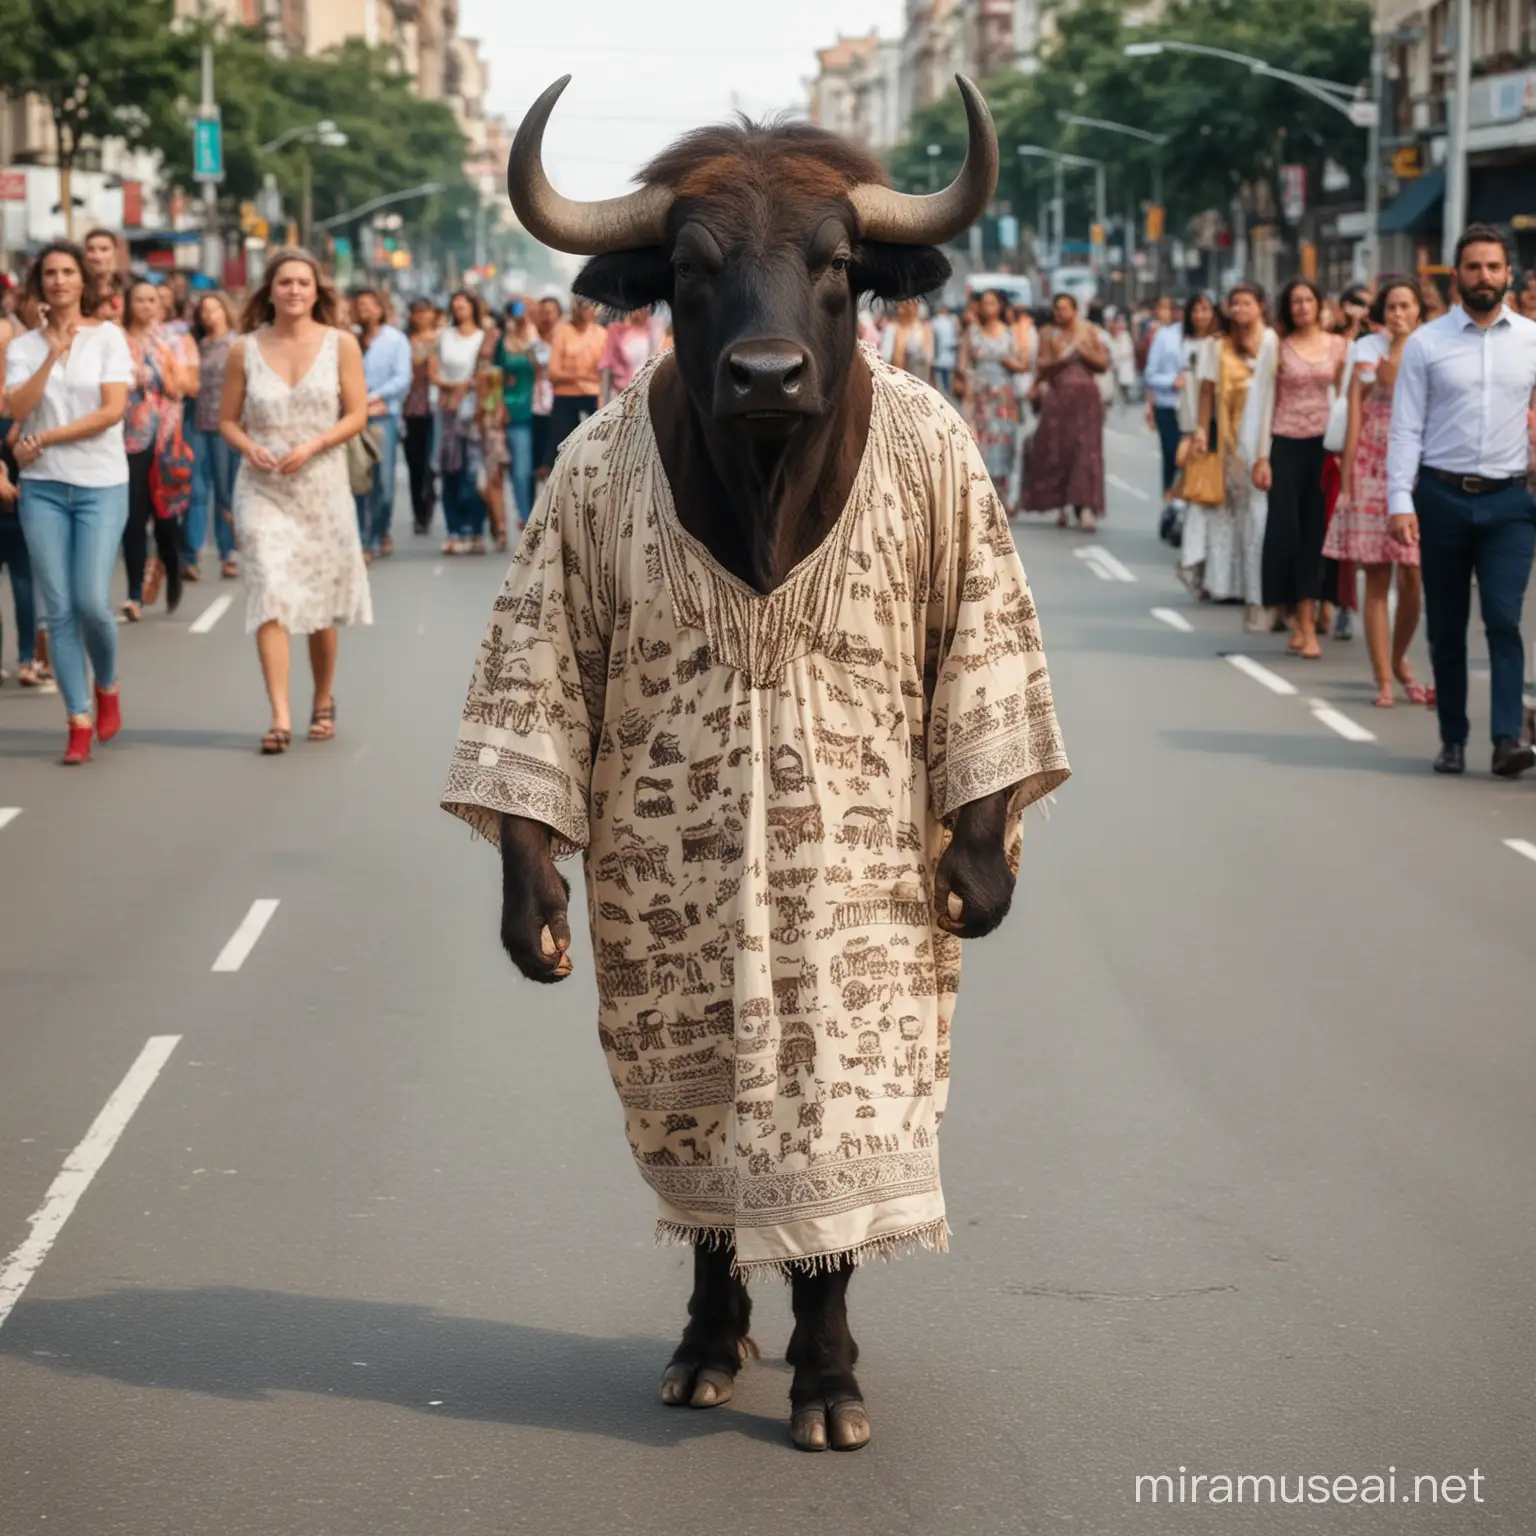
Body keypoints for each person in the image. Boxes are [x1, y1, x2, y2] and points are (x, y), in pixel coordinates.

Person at [1386, 225, 1536, 778]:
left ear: (1507, 275)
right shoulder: (1428, 342)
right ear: (1457, 275)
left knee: (1502, 618)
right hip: (1442, 498)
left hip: (1509, 504)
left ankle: (1505, 740)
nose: (1484, 277)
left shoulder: (1531, 340)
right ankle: (1452, 737)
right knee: (1447, 627)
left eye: (1493, 268)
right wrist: (1400, 499)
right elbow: (1405, 430)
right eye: (1473, 268)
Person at [219, 247, 372, 755]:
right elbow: (226, 420)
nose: (294, 291)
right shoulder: (244, 348)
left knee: (320, 603)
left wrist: (314, 444)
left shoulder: (341, 344)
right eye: (284, 282)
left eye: (303, 283)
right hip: (262, 489)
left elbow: (356, 415)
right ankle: (280, 715)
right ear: (269, 290)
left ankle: (323, 699)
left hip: (322, 484)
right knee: (269, 592)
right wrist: (249, 447)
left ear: (316, 290)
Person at [5, 241, 132, 763]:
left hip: (100, 483)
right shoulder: (22, 347)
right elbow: (15, 406)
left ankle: (107, 683)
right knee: (57, 610)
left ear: (85, 282)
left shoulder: (108, 338)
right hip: (43, 488)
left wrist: (45, 440)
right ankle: (77, 720)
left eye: (68, 272)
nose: (59, 281)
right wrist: (52, 355)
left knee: (91, 605)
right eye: (50, 273)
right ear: (40, 284)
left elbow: (111, 413)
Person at [1327, 276, 1428, 708]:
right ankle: (1383, 676)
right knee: (1376, 579)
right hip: (1371, 464)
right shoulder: (1367, 351)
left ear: (1420, 311)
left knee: (1412, 579)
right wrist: (1347, 478)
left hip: (1420, 470)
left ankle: (1401, 658)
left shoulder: (1433, 349)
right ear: (1381, 314)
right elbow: (1353, 414)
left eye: (1407, 306)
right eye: (1392, 307)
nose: (1399, 314)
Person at [1248, 277, 1346, 658]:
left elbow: (1344, 399)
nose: (1302, 307)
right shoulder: (1278, 347)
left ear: (1320, 304)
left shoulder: (1339, 346)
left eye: (1308, 300)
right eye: (1295, 302)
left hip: (1324, 448)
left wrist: (1344, 453)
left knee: (1316, 534)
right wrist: (1260, 456)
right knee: (1286, 532)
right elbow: (1264, 400)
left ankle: (1310, 619)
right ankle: (1293, 612)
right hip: (1285, 445)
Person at [1181, 282, 1271, 610]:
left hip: (1265, 439)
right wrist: (1202, 430)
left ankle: (1256, 585)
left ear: (1261, 306)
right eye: (1235, 304)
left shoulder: (1273, 343)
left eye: (1247, 303)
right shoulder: (1217, 347)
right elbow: (1206, 391)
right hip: (1229, 439)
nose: (1240, 310)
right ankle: (1223, 582)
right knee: (1226, 511)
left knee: (1258, 513)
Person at [121, 278, 192, 619]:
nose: (146, 306)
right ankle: (134, 592)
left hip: (165, 436)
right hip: (126, 437)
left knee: (164, 516)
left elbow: (182, 388)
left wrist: (161, 365)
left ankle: (172, 565)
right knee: (132, 516)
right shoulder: (116, 338)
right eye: (139, 299)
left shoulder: (172, 341)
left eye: (152, 299)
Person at [1020, 292, 1108, 529]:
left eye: (1065, 308)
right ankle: (1061, 505)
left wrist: (1083, 353)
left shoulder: (1088, 330)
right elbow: (1042, 366)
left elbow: (1103, 363)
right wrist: (1063, 359)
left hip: (1087, 401)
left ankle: (1085, 506)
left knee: (1086, 453)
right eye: (1057, 308)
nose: (1061, 313)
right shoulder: (1047, 333)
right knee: (1057, 451)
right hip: (1058, 400)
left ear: (1075, 310)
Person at [351, 286, 412, 559]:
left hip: (382, 417)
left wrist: (373, 397)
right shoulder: (350, 338)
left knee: (383, 484)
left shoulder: (396, 340)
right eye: (359, 305)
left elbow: (402, 378)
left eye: (369, 305)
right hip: (352, 419)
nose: (363, 310)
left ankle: (379, 529)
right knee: (358, 481)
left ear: (380, 308)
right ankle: (365, 539)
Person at [431, 288, 488, 555]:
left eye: (463, 305)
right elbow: (433, 373)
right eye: (454, 305)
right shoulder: (443, 337)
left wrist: (470, 388)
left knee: (472, 473)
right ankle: (453, 529)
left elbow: (487, 375)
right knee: (449, 470)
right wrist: (455, 387)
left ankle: (474, 529)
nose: (459, 309)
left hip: (475, 412)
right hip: (448, 411)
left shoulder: (484, 338)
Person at [954, 288, 1023, 510]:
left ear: (1000, 306)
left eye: (992, 303)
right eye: (984, 303)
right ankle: (981, 496)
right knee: (977, 443)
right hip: (978, 395)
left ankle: (1003, 495)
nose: (988, 307)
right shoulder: (971, 332)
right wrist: (965, 389)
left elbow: (1023, 363)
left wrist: (1010, 363)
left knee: (1004, 442)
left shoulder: (1010, 332)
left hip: (1003, 394)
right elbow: (962, 364)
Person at [544, 296, 606, 469]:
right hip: (566, 399)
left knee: (594, 455)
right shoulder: (562, 331)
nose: (586, 309)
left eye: (590, 305)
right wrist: (584, 375)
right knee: (563, 454)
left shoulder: (602, 334)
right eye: (582, 305)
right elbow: (553, 372)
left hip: (592, 399)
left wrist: (574, 375)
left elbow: (602, 374)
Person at [496, 300, 539, 528]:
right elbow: (495, 376)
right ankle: (525, 514)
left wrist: (532, 337)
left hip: (541, 408)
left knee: (540, 467)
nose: (521, 317)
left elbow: (542, 363)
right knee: (520, 469)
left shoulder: (539, 338)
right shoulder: (502, 342)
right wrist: (499, 407)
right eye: (517, 312)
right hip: (514, 409)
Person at [472, 315, 510, 551]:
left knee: (496, 479)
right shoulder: (481, 367)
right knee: (489, 480)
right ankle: (499, 524)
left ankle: (501, 525)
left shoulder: (503, 363)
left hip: (498, 426)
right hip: (484, 428)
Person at [401, 298, 438, 534]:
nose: (422, 317)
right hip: (411, 409)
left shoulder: (441, 339)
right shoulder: (403, 341)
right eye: (418, 313)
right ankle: (419, 512)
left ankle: (430, 496)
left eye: (426, 312)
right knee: (414, 464)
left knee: (431, 463)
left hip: (435, 407)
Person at [599, 307, 656, 403]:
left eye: (643, 309)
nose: (639, 313)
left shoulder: (654, 331)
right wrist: (603, 398)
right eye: (636, 309)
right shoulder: (617, 331)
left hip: (646, 390)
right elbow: (607, 364)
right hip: (622, 391)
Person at [531, 294, 559, 483]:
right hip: (534, 405)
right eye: (542, 312)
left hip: (558, 403)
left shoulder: (564, 339)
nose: (546, 316)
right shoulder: (532, 340)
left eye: (550, 312)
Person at [881, 298, 933, 383]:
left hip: (920, 382)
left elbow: (928, 357)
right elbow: (885, 357)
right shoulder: (892, 328)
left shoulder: (924, 329)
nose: (900, 311)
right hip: (897, 382)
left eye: (904, 307)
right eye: (899, 307)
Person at [1106, 312, 1138, 407]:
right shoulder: (1109, 337)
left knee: (1124, 384)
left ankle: (1125, 399)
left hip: (1124, 365)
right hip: (1114, 366)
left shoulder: (1125, 336)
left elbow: (1128, 351)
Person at [930, 302, 958, 394]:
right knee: (946, 383)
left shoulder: (935, 322)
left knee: (940, 383)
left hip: (939, 356)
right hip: (947, 356)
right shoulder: (950, 321)